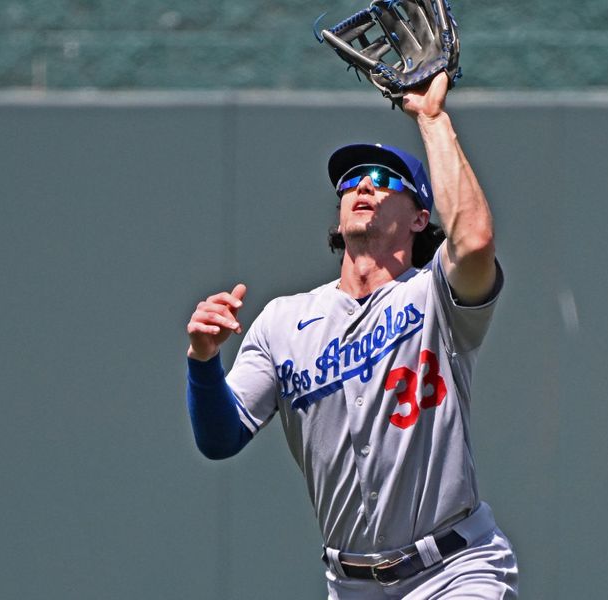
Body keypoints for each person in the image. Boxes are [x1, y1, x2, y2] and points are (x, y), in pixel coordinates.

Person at [185, 73, 518, 599]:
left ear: (420, 217)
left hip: (454, 568)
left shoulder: (435, 297)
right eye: (352, 179)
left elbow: (474, 241)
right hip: (349, 584)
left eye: (385, 180)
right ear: (338, 217)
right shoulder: (282, 321)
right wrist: (203, 362)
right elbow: (220, 438)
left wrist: (431, 121)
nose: (364, 185)